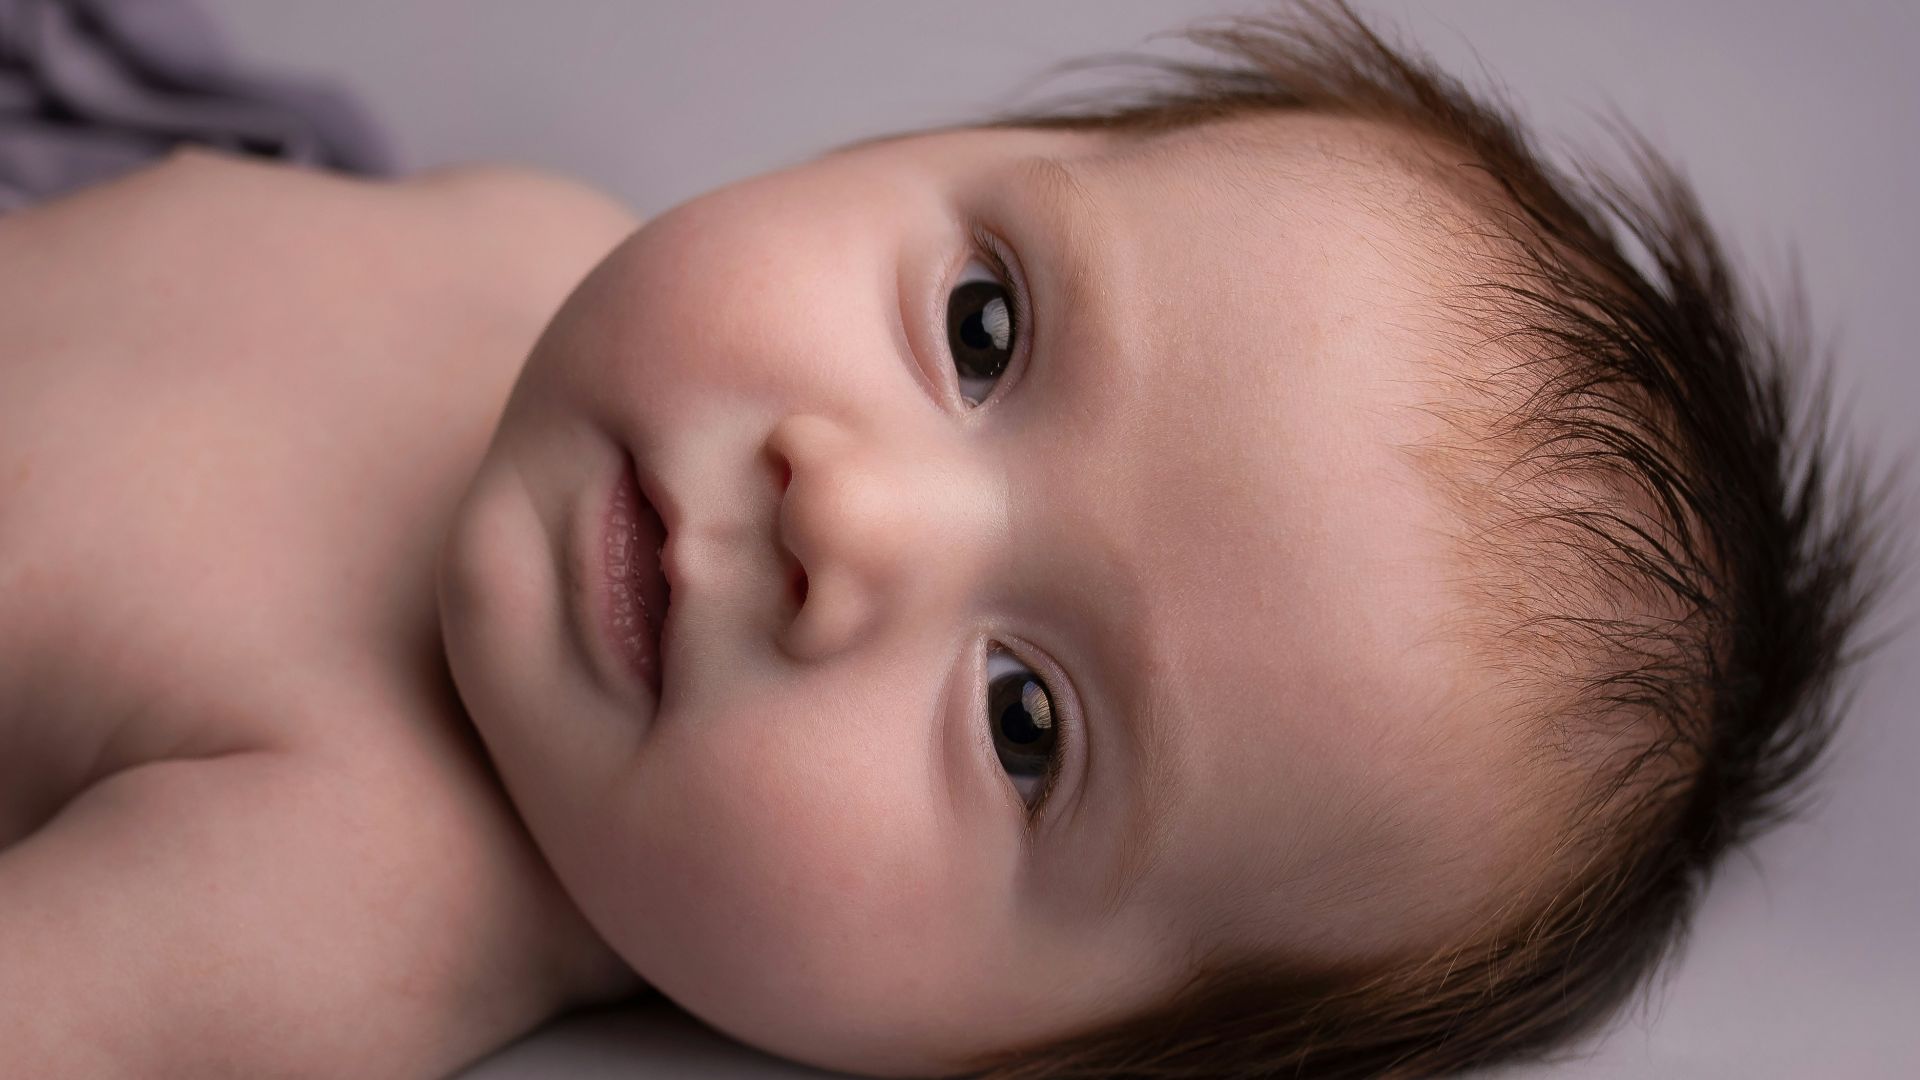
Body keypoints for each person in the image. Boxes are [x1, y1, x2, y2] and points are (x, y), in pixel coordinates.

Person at [0, 2, 1890, 1076]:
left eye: (1026, 727)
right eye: (983, 332)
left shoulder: (349, 891)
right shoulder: (538, 234)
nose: (854, 516)